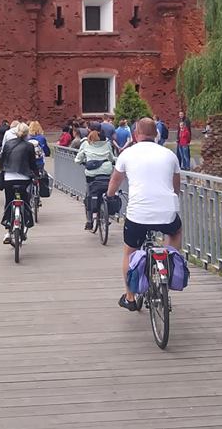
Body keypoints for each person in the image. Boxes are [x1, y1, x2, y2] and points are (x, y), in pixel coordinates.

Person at [107, 118, 182, 311]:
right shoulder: (170, 155)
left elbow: (115, 181)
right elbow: (176, 187)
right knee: (175, 231)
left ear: (135, 134)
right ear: (156, 134)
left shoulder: (127, 154)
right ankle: (168, 260)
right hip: (166, 212)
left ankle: (130, 297)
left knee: (129, 252)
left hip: (137, 215)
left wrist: (110, 196)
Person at [0, 122, 38, 244]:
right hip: (24, 178)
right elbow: (33, 164)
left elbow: (2, 159)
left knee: (9, 201)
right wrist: (36, 175)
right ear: (27, 133)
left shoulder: (8, 144)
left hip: (8, 178)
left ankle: (7, 228)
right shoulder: (29, 146)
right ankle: (26, 221)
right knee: (25, 201)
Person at [75, 130, 116, 231]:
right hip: (106, 171)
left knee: (89, 194)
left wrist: (81, 161)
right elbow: (111, 158)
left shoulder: (85, 144)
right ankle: (106, 212)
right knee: (106, 188)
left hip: (92, 174)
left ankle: (89, 221)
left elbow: (78, 159)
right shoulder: (107, 144)